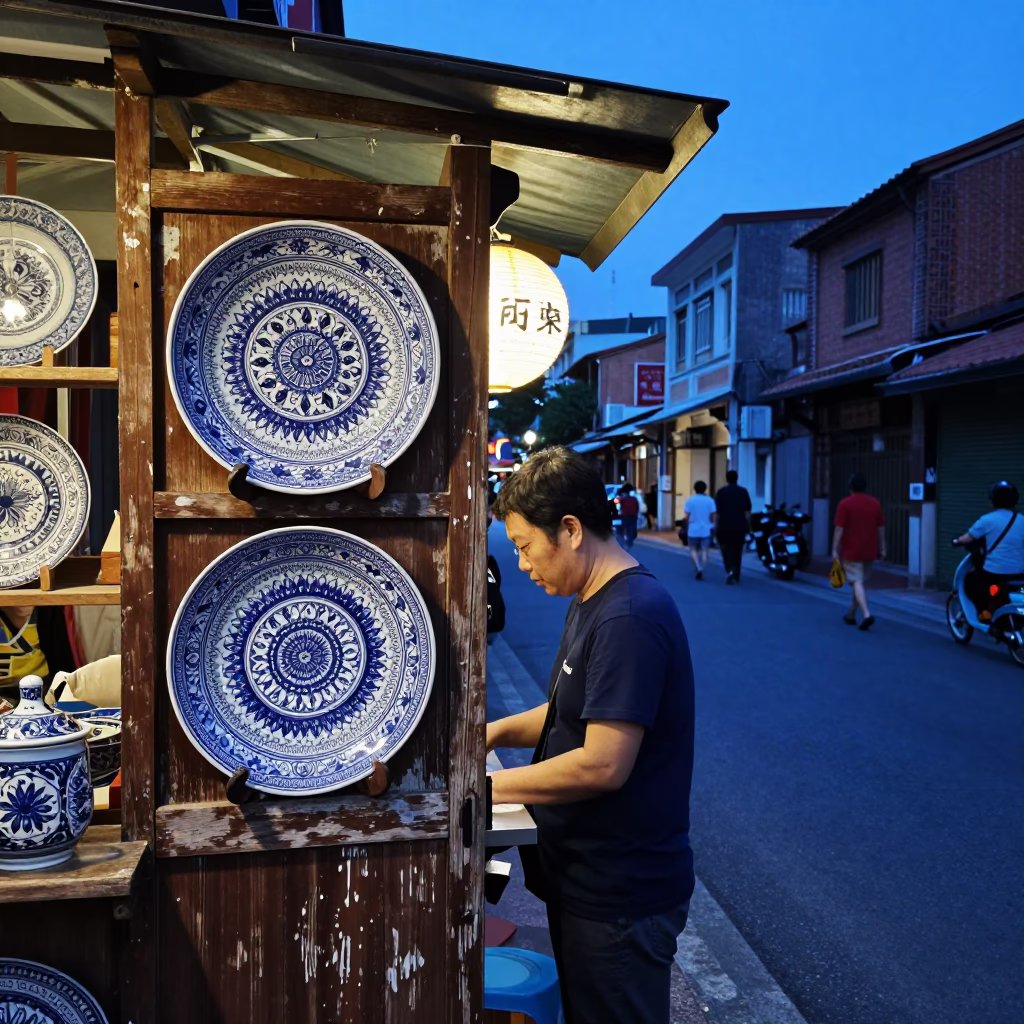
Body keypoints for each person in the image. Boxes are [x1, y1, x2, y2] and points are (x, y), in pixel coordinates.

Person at [489, 446, 695, 1024]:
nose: (523, 564)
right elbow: (569, 712)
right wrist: (494, 731)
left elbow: (603, 762)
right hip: (585, 878)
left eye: (526, 546)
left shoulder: (630, 614)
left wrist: (484, 790)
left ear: (571, 530)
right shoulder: (591, 598)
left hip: (620, 894)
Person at [953, 480, 1024, 622]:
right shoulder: (1022, 520)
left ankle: (984, 612)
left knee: (971, 581)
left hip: (995, 572)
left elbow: (967, 538)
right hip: (1020, 571)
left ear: (993, 500)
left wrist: (956, 541)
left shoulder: (988, 520)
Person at [832, 473, 886, 631]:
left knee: (856, 582)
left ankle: (866, 615)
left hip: (851, 550)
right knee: (860, 582)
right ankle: (850, 615)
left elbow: (839, 528)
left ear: (850, 488)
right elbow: (881, 527)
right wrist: (883, 547)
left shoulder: (845, 504)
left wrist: (835, 549)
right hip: (870, 550)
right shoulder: (875, 503)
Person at [715, 470, 752, 584]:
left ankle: (729, 569)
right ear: (737, 478)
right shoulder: (743, 491)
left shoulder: (721, 492)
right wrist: (749, 526)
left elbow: (717, 512)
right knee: (738, 549)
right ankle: (736, 572)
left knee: (725, 548)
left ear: (727, 478)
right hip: (739, 525)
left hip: (724, 524)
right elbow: (747, 511)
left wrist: (715, 525)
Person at [682, 481, 716, 580]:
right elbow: (713, 515)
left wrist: (686, 527)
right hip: (706, 529)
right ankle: (702, 567)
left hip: (693, 529)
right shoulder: (710, 501)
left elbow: (687, 516)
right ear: (705, 489)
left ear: (694, 489)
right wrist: (713, 525)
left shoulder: (690, 500)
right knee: (705, 550)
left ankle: (698, 567)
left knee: (693, 549)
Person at [616, 483, 640, 550]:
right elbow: (637, 507)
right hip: (633, 516)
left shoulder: (622, 499)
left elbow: (619, 506)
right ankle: (629, 541)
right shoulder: (634, 499)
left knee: (625, 528)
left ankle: (626, 541)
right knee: (631, 529)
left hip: (625, 515)